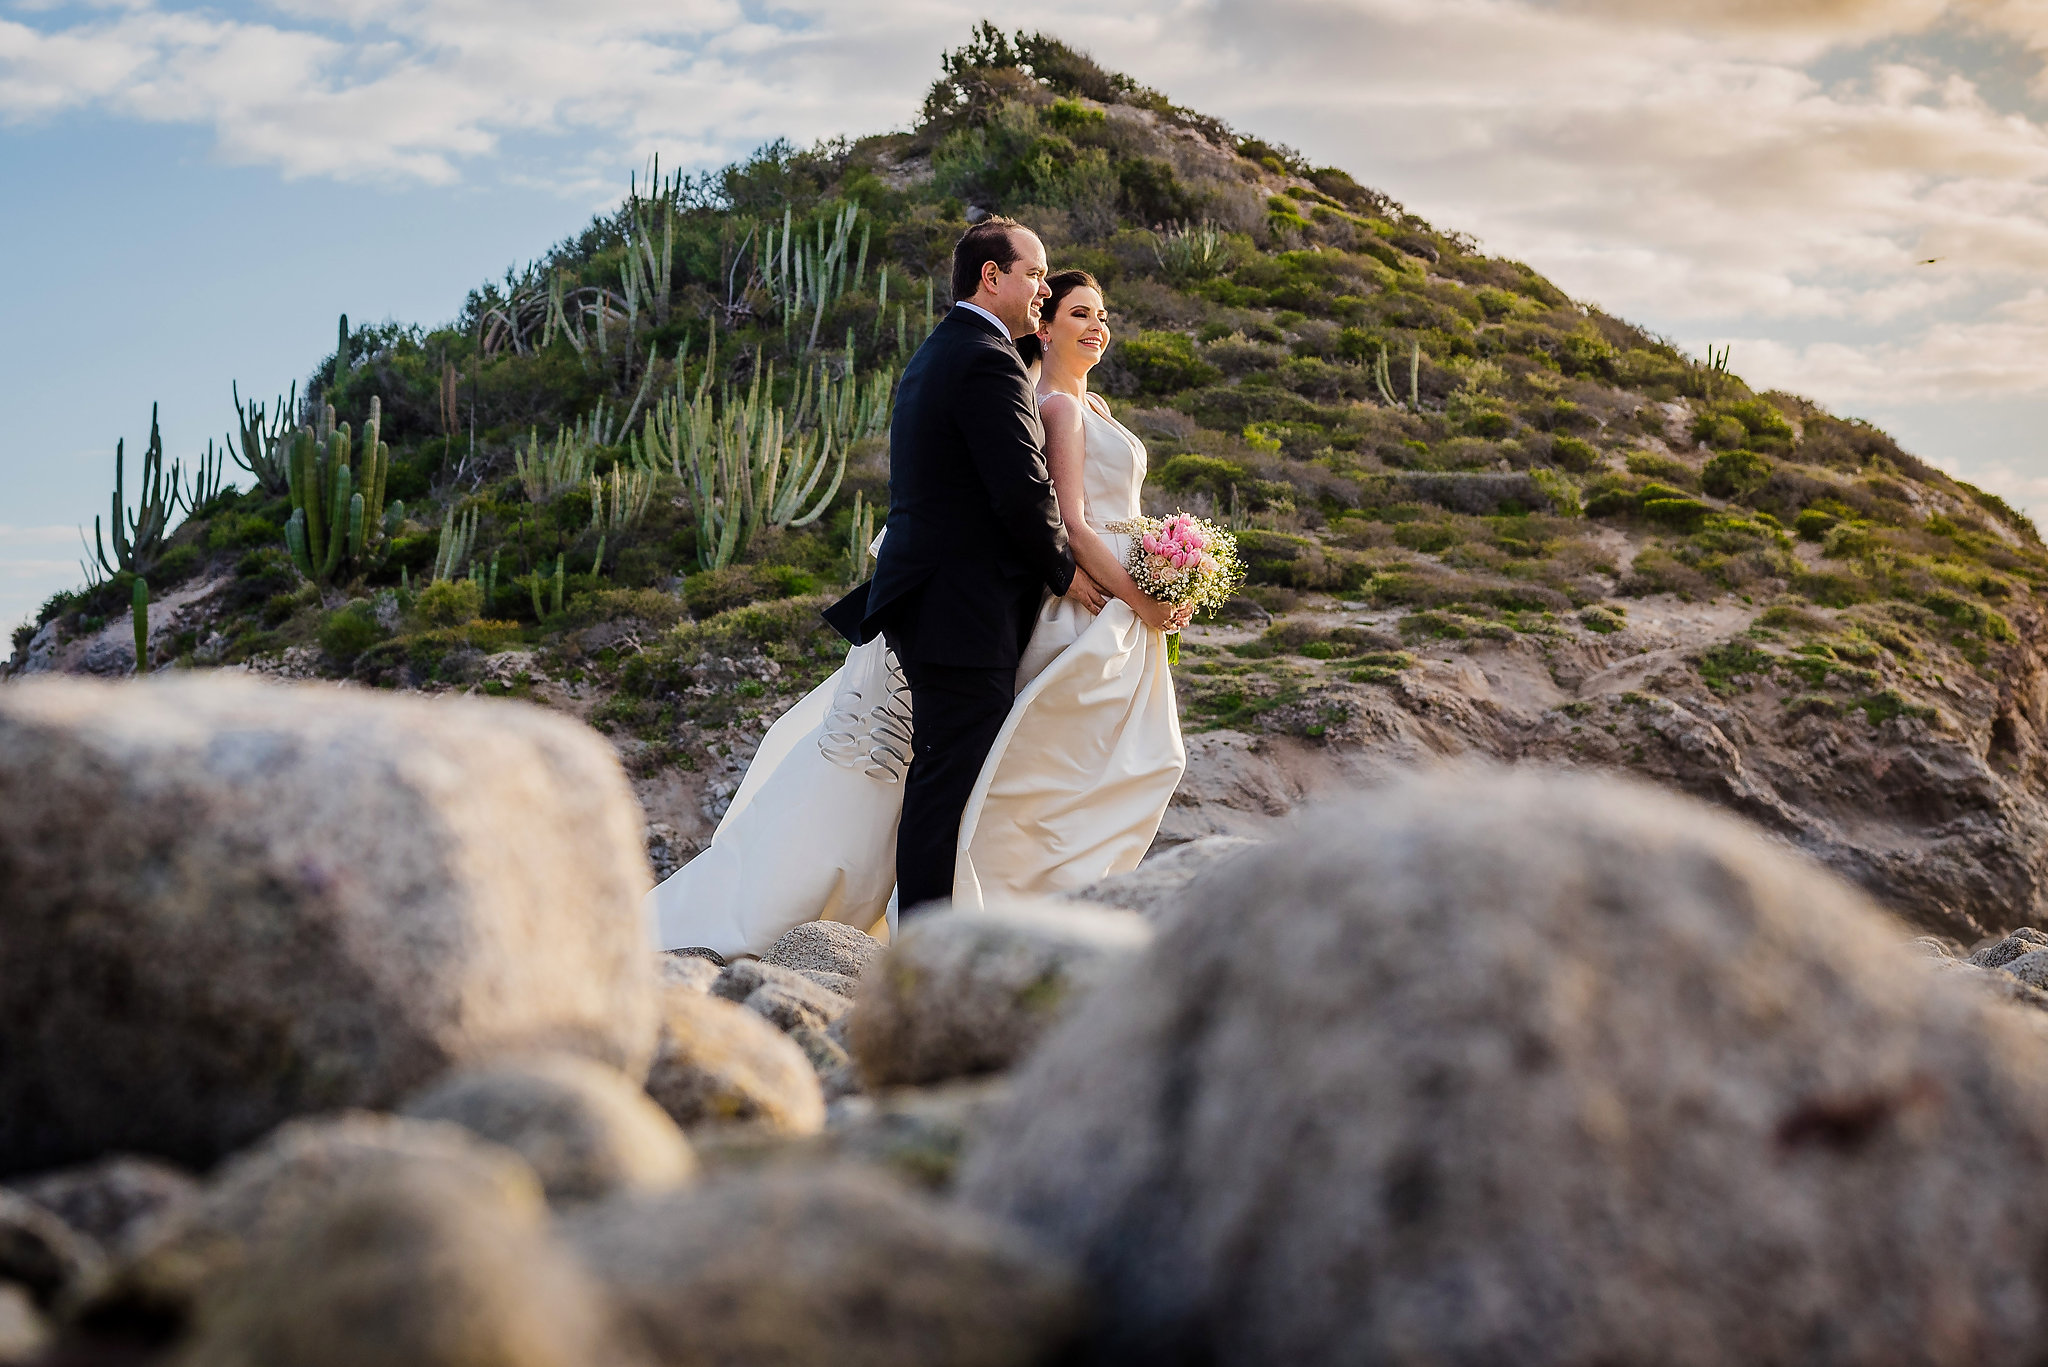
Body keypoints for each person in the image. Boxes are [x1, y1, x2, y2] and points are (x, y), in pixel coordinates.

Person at [644, 239, 1188, 959]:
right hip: (960, 611)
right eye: (1034, 276)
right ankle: (924, 945)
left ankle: (946, 929)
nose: (1040, 290)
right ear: (993, 277)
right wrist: (1071, 576)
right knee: (943, 783)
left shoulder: (954, 350)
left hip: (956, 604)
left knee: (955, 778)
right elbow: (1026, 497)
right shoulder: (985, 359)